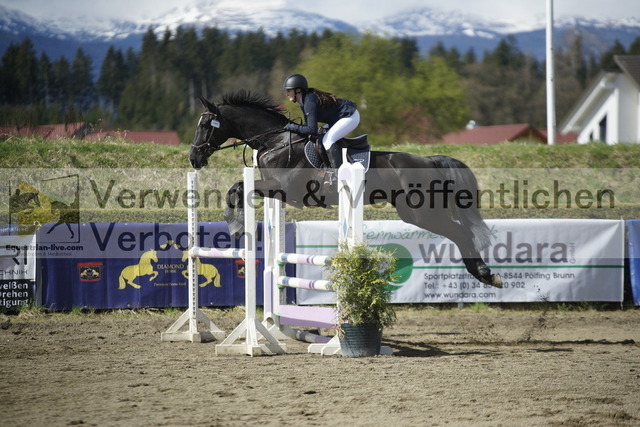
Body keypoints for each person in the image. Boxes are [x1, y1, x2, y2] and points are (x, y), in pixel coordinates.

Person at [282, 73, 360, 174]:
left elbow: (311, 129)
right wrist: (293, 126)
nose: (287, 94)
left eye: (288, 90)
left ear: (298, 90)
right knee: (322, 137)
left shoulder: (309, 101)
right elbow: (308, 125)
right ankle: (329, 167)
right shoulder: (304, 101)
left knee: (327, 140)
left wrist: (293, 127)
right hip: (337, 119)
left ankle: (339, 175)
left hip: (350, 116)